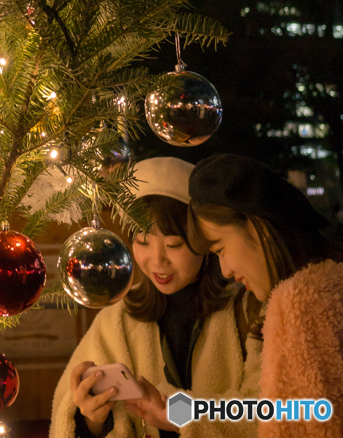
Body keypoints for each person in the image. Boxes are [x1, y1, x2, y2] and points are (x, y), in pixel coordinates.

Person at [50, 157, 261, 438]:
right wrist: (93, 420)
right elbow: (67, 414)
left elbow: (268, 410)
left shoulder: (248, 309)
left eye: (174, 244)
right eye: (142, 242)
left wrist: (182, 416)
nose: (157, 261)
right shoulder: (118, 320)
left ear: (204, 241)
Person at [182, 154, 343, 437]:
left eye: (220, 249)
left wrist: (177, 412)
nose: (226, 270)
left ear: (257, 228)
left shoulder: (303, 302)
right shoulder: (283, 298)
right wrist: (175, 410)